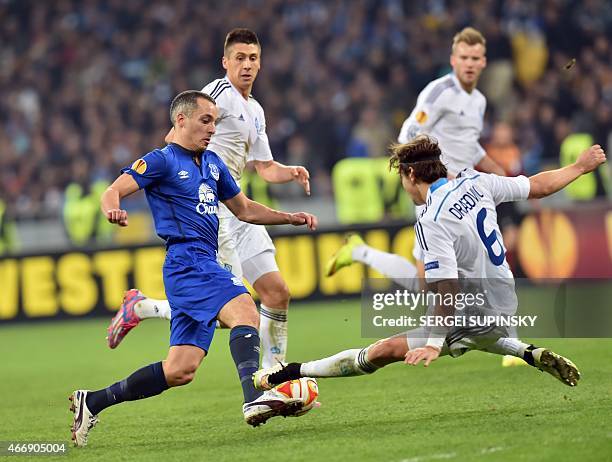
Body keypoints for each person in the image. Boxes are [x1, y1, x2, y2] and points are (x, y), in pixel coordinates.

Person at [253, 135, 606, 392]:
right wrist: (579, 166)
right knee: (472, 331)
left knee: (382, 351)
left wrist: (434, 343)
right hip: (505, 301)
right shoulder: (476, 181)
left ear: (409, 175)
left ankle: (292, 372)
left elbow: (447, 289)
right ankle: (527, 351)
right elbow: (535, 186)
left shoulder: (432, 218)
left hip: (473, 309)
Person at [69, 90, 318, 447]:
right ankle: (254, 399)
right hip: (187, 262)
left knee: (179, 370)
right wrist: (112, 208)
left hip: (203, 262)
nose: (212, 129)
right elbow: (114, 190)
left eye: (215, 121)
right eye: (205, 120)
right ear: (180, 120)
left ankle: (91, 401)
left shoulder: (213, 163)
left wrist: (289, 218)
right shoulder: (161, 161)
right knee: (246, 308)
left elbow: (244, 209)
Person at [106, 29, 310, 369]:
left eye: (253, 58)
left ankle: (275, 377)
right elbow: (174, 138)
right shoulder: (217, 93)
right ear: (226, 62)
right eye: (240, 58)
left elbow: (264, 167)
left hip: (239, 206)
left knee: (277, 292)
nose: (247, 65)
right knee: (227, 310)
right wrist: (183, 184)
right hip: (210, 212)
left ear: (260, 63)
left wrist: (289, 171)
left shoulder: (255, 110)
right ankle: (143, 307)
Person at [324, 27, 518, 366]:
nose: (470, 65)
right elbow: (409, 132)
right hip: (436, 195)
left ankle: (509, 340)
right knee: (431, 282)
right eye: (464, 58)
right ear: (453, 60)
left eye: (475, 59)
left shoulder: (479, 101)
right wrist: (429, 170)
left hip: (464, 194)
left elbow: (468, 144)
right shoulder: (439, 92)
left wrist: (494, 169)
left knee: (478, 263)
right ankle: (361, 250)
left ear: (484, 62)